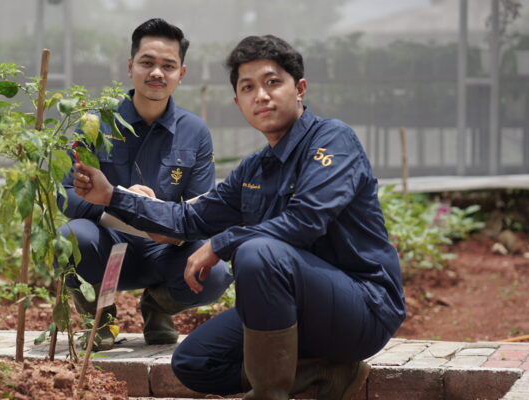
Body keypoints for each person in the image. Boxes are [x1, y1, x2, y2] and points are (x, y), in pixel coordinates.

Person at [71, 35, 406, 400]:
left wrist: (222, 242)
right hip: (297, 315)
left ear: (300, 89)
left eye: (272, 82)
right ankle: (326, 373)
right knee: (195, 362)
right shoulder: (254, 169)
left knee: (257, 251)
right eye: (248, 88)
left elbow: (305, 219)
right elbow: (188, 218)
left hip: (362, 307)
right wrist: (111, 196)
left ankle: (269, 394)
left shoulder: (331, 140)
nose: (260, 95)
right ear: (238, 101)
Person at [60, 18, 232, 351]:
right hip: (105, 241)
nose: (157, 73)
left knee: (215, 272)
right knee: (70, 239)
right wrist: (120, 201)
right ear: (130, 66)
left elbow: (201, 210)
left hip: (164, 249)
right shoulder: (96, 122)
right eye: (147, 63)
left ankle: (158, 307)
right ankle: (101, 318)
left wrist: (157, 215)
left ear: (181, 73)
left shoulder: (194, 131)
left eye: (168, 66)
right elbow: (65, 194)